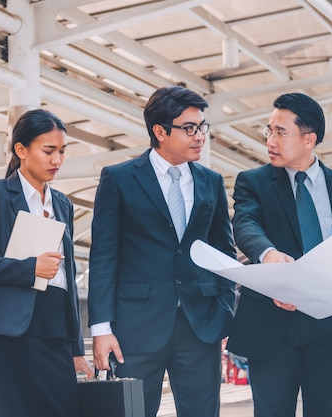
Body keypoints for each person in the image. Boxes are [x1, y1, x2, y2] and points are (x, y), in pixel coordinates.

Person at [88, 86, 236, 417]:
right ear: (159, 131)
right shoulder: (119, 179)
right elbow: (103, 257)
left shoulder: (210, 182)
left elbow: (222, 253)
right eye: (189, 128)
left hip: (201, 326)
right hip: (135, 329)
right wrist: (101, 329)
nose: (200, 136)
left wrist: (224, 313)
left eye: (202, 127)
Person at [226, 92, 332, 417]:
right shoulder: (254, 182)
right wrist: (268, 255)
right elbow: (246, 224)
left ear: (309, 139)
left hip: (331, 320)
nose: (270, 140)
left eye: (281, 132)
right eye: (269, 130)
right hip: (271, 323)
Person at [0, 109, 92, 417]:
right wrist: (29, 269)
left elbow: (67, 278)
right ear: (21, 150)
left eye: (62, 151)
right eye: (49, 151)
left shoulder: (63, 204)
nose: (57, 160)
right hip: (12, 328)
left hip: (56, 326)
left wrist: (77, 348)